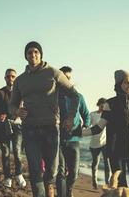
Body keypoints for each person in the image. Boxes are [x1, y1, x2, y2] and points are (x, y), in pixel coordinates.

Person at [9, 42, 79, 197]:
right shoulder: (20, 80)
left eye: (35, 51)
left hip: (51, 127)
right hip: (30, 128)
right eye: (29, 52)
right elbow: (11, 105)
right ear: (25, 56)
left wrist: (70, 117)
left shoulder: (53, 73)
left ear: (40, 54)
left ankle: (49, 183)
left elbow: (74, 95)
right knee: (35, 170)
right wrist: (17, 111)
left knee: (52, 171)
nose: (32, 55)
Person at [82, 70, 129, 192]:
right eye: (126, 83)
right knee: (120, 189)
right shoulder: (110, 104)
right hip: (116, 153)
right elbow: (98, 128)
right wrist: (77, 133)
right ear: (119, 84)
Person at [0, 69, 26, 188]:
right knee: (5, 153)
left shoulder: (21, 92)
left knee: (17, 151)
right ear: (5, 78)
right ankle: (7, 177)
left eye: (13, 76)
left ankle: (19, 175)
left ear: (16, 78)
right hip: (3, 127)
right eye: (8, 76)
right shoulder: (0, 93)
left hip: (17, 126)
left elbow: (27, 106)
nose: (10, 78)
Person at [56, 66, 90, 197]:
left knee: (74, 173)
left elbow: (86, 114)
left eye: (69, 78)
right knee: (60, 172)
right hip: (58, 139)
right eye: (64, 78)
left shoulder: (78, 97)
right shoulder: (54, 97)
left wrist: (85, 126)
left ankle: (69, 190)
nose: (67, 81)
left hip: (74, 140)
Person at [89, 97, 111, 189]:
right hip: (94, 143)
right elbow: (88, 125)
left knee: (107, 163)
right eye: (102, 105)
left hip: (105, 143)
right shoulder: (92, 114)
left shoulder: (107, 115)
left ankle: (107, 183)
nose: (103, 107)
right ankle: (94, 180)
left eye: (105, 105)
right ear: (99, 104)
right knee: (95, 163)